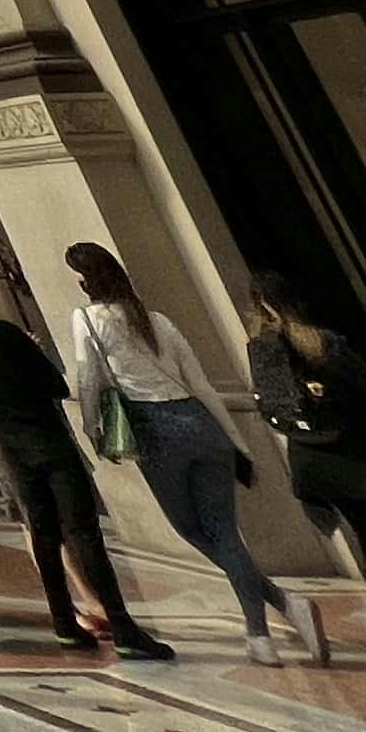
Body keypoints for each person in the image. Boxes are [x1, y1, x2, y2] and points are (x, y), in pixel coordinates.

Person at [61, 242, 309, 661]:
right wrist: (236, 442)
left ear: (85, 282)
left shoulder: (87, 319)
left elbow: (89, 379)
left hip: (157, 432)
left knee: (192, 530)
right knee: (226, 533)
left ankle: (271, 620)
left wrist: (91, 428)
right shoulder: (157, 321)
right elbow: (202, 385)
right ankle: (269, 620)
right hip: (199, 423)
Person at [0, 255, 162, 655]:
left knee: (43, 531)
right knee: (82, 530)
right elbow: (53, 383)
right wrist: (25, 347)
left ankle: (64, 623)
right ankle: (124, 630)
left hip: (8, 441)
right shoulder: (1, 333)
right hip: (44, 437)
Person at [241, 269, 366, 640]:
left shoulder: (261, 350)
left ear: (259, 306)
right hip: (359, 452)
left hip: (314, 461)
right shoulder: (324, 343)